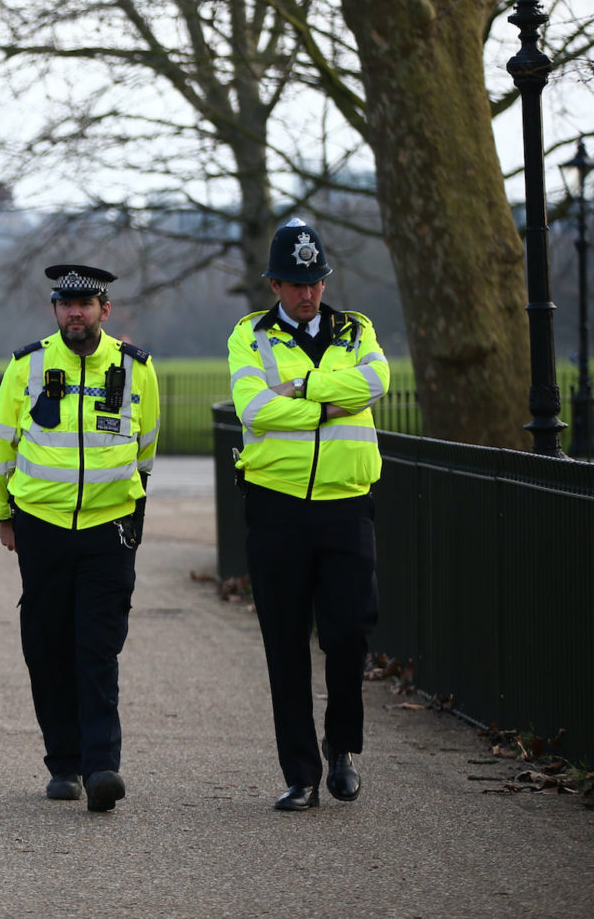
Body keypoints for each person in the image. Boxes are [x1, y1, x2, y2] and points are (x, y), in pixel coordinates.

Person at [0, 264, 160, 812]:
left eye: (86, 304)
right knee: (47, 647)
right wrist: (3, 517)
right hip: (43, 529)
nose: (75, 312)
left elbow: (147, 450)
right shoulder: (27, 367)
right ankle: (63, 764)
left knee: (98, 648)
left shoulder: (137, 370)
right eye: (65, 303)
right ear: (55, 310)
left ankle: (101, 765)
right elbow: (0, 449)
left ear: (105, 310)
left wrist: (135, 520)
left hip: (109, 530)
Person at [228, 217, 390, 812]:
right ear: (274, 283)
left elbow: (376, 382)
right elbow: (254, 407)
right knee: (286, 643)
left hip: (347, 502)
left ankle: (341, 747)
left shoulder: (356, 329)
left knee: (348, 633)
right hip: (276, 507)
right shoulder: (250, 335)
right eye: (296, 283)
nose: (308, 292)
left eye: (316, 281)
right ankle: (301, 774)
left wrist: (300, 390)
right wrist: (329, 401)